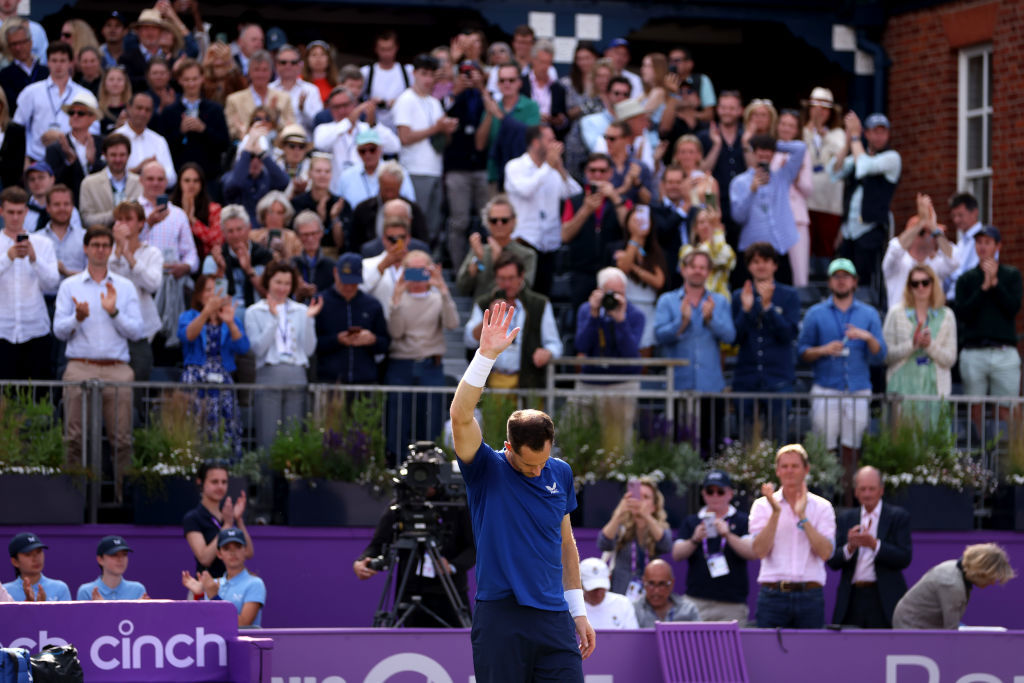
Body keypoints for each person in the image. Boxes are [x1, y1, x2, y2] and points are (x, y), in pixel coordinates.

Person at [449, 301, 595, 680]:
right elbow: (461, 415)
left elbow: (566, 544)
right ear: (509, 447)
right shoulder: (484, 468)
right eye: (530, 464)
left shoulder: (558, 472)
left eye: (543, 461)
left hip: (553, 620)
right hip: (500, 618)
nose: (538, 470)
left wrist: (577, 611)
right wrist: (485, 355)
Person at [54, 226, 143, 501]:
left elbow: (137, 331)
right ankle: (72, 501)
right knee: (74, 437)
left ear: (111, 249)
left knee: (122, 439)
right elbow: (58, 330)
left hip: (117, 367)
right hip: (80, 364)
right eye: (95, 245)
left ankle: (122, 501)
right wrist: (77, 319)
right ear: (86, 248)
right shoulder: (69, 286)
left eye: (106, 245)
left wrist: (113, 311)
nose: (101, 250)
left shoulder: (125, 286)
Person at [353, 455, 476, 627]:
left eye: (429, 473)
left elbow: (473, 548)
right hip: (410, 591)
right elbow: (378, 544)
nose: (423, 481)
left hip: (450, 593)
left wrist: (453, 565)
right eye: (418, 472)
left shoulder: (457, 505)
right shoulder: (399, 507)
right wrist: (362, 561)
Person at [798, 258, 886, 485]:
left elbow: (880, 354)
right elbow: (802, 352)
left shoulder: (869, 314)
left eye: (846, 276)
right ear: (829, 282)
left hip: (858, 388)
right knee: (823, 446)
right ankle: (825, 495)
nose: (841, 281)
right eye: (836, 276)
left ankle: (850, 498)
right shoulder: (815, 313)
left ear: (855, 282)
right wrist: (823, 349)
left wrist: (867, 337)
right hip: (826, 387)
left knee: (852, 447)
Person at [654, 249, 735, 454]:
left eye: (702, 267)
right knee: (678, 448)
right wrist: (681, 323)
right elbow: (659, 336)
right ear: (683, 270)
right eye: (693, 266)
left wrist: (710, 320)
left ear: (708, 272)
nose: (697, 271)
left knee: (711, 447)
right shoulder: (667, 300)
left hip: (710, 387)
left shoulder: (719, 301)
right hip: (679, 386)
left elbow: (730, 337)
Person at [749, 443, 836, 629]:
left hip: (810, 596)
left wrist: (803, 516)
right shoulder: (762, 506)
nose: (789, 471)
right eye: (784, 466)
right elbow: (759, 551)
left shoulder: (823, 507)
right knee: (768, 656)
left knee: (811, 656)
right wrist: (775, 513)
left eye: (795, 466)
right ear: (777, 471)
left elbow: (826, 553)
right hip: (772, 596)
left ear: (806, 470)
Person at [385, 250, 459, 456]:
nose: (417, 277)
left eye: (422, 271)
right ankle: (397, 465)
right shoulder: (398, 298)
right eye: (412, 271)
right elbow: (396, 332)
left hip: (430, 366)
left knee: (430, 421)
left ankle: (430, 467)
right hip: (401, 365)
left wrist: (443, 288)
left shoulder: (437, 298)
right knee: (398, 420)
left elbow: (452, 323)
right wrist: (397, 298)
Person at [245, 261, 319, 450]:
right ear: (268, 282)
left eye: (287, 283)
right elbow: (258, 349)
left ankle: (292, 479)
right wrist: (274, 319)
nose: (282, 288)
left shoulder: (302, 311)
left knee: (293, 437)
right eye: (278, 282)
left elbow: (309, 350)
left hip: (296, 375)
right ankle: (267, 479)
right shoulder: (254, 311)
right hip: (269, 375)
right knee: (268, 438)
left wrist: (310, 320)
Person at [731, 242, 800, 443]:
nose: (761, 266)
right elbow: (735, 339)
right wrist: (745, 311)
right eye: (755, 262)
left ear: (775, 265)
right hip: (746, 378)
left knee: (779, 439)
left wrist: (768, 307)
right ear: (749, 266)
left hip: (778, 378)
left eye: (766, 261)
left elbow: (788, 335)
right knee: (746, 439)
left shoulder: (789, 295)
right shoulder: (739, 296)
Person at [827, 466, 912, 629]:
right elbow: (832, 561)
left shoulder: (897, 517)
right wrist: (850, 547)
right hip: (852, 598)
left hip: (884, 599)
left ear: (881, 490)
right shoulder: (846, 518)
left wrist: (874, 544)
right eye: (862, 489)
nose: (867, 494)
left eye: (871, 489)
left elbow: (904, 557)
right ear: (855, 492)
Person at [464, 252, 562, 390]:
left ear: (521, 277)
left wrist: (547, 352)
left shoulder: (539, 303)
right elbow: (470, 340)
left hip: (528, 382)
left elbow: (554, 344)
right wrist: (490, 317)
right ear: (495, 278)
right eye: (502, 279)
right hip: (491, 382)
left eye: (511, 278)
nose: (507, 284)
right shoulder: (484, 303)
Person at [504, 123, 582, 296]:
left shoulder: (553, 170)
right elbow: (526, 190)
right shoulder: (515, 166)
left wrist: (560, 168)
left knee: (542, 297)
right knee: (521, 295)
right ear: (535, 142)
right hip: (524, 241)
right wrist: (547, 166)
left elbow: (575, 194)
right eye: (550, 140)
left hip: (548, 243)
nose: (555, 144)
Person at [574, 267, 645, 454]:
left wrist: (621, 321)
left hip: (621, 383)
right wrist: (594, 315)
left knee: (618, 444)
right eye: (609, 292)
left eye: (619, 293)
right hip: (590, 382)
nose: (613, 298)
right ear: (599, 291)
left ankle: (617, 479)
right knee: (581, 437)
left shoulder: (636, 315)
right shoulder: (586, 310)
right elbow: (581, 345)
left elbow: (631, 356)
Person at [179, 275, 250, 457]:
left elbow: (243, 348)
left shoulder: (231, 319)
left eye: (216, 289)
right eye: (208, 290)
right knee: (194, 426)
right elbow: (187, 336)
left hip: (222, 381)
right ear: (199, 294)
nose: (213, 294)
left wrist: (231, 323)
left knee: (224, 427)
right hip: (195, 379)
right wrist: (205, 313)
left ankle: (225, 466)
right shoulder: (189, 316)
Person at [672, 470, 755, 623]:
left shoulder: (742, 520)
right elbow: (676, 554)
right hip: (696, 600)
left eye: (720, 491)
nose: (715, 496)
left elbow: (751, 552)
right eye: (710, 491)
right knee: (691, 646)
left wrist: (728, 535)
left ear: (730, 494)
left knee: (729, 647)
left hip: (731, 604)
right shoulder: (692, 521)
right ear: (704, 494)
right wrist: (694, 540)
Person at [832, 112, 901, 292]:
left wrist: (855, 138)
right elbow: (833, 171)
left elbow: (864, 167)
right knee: (843, 276)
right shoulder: (857, 155)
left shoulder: (892, 157)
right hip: (849, 231)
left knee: (865, 281)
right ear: (867, 134)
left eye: (883, 132)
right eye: (874, 132)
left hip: (870, 229)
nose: (879, 136)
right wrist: (848, 141)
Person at [954, 225, 1022, 402]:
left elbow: (1013, 308)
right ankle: (979, 432)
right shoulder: (966, 279)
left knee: (1008, 407)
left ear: (997, 246)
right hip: (973, 351)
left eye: (987, 242)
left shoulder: (1011, 275)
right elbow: (963, 313)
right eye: (979, 242)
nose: (982, 247)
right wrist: (984, 288)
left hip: (1004, 352)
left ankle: (1010, 432)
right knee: (974, 406)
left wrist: (996, 285)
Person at [883, 265, 957, 425]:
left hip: (936, 389)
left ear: (933, 284)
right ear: (909, 286)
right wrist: (913, 344)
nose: (920, 287)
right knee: (901, 445)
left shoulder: (947, 315)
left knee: (934, 445)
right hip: (901, 388)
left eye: (925, 282)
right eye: (915, 283)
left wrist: (929, 345)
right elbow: (886, 355)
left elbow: (950, 358)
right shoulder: (895, 313)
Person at [393, 53, 455, 247]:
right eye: (424, 74)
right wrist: (437, 128)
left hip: (435, 169)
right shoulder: (405, 100)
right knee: (418, 224)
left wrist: (447, 130)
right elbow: (405, 137)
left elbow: (441, 139)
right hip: (415, 170)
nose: (428, 79)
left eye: (431, 75)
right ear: (414, 74)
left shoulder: (434, 102)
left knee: (433, 224)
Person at [729, 134, 806, 285]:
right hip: (751, 252)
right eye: (759, 150)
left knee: (784, 295)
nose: (764, 154)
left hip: (779, 250)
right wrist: (751, 191)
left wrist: (771, 143)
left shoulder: (783, 176)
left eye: (768, 151)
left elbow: (800, 148)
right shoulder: (739, 182)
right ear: (752, 152)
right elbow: (738, 217)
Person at [0, 186, 59, 380]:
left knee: (37, 399)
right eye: (11, 212)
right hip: (3, 330)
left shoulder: (43, 243)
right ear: (2, 212)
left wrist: (35, 259)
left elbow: (52, 284)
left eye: (19, 212)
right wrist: (8, 258)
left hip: (35, 329)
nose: (15, 218)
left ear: (26, 212)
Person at [108, 200, 164, 391]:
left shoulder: (152, 253)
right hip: (110, 329)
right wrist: (117, 253)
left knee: (137, 387)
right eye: (119, 220)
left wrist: (129, 257)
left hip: (142, 329)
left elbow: (153, 285)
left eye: (128, 219)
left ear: (141, 223)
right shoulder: (104, 251)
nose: (123, 224)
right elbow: (103, 281)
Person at [893, 543, 1015, 630]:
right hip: (912, 631)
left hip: (920, 625)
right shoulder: (951, 585)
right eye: (992, 577)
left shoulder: (953, 567)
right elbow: (951, 633)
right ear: (981, 571)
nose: (993, 583)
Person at [559, 153, 627, 308]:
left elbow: (629, 229)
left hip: (612, 272)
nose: (598, 175)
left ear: (610, 173)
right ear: (586, 173)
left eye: (602, 171)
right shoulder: (574, 201)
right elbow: (565, 235)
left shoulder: (621, 200)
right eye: (593, 170)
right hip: (582, 272)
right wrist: (585, 210)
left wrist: (615, 198)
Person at [315, 252, 389, 384]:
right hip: (330, 380)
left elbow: (385, 343)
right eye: (345, 281)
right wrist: (337, 340)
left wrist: (372, 340)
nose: (349, 287)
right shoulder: (320, 302)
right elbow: (312, 344)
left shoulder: (372, 304)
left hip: (365, 380)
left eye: (353, 282)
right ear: (335, 272)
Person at [14, 43, 95, 163]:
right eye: (54, 60)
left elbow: (94, 129)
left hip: (73, 159)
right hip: (37, 158)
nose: (58, 65)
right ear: (47, 62)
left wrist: (63, 137)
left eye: (63, 60)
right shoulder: (31, 92)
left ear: (71, 63)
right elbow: (17, 126)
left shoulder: (84, 94)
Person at [444, 58, 489, 269]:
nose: (469, 77)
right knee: (459, 222)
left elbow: (494, 112)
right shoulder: (449, 97)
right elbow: (442, 117)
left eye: (473, 72)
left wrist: (482, 88)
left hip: (483, 167)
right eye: (464, 73)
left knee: (488, 222)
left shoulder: (488, 96)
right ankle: (459, 269)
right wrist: (455, 90)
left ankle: (485, 267)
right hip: (457, 167)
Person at [159, 58, 231, 185]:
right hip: (180, 179)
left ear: (202, 78)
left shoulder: (215, 109)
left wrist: (203, 129)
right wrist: (181, 132)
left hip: (209, 178)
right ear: (180, 80)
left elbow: (224, 144)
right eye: (187, 79)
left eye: (194, 79)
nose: (191, 84)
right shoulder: (169, 112)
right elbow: (163, 147)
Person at [598, 476, 671, 598]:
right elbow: (603, 543)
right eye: (637, 496)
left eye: (646, 497)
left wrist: (647, 517)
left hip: (649, 598)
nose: (640, 501)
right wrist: (619, 513)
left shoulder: (659, 527)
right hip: (620, 596)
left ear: (654, 506)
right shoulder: (621, 527)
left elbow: (666, 545)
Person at [882, 193, 957, 309]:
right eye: (933, 233)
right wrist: (920, 223)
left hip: (931, 325)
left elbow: (954, 260)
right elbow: (895, 249)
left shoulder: (937, 263)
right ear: (918, 235)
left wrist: (934, 229)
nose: (937, 237)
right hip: (901, 325)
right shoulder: (899, 263)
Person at [456, 194, 537, 300]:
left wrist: (499, 260)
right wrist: (476, 262)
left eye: (504, 220)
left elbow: (525, 289)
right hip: (483, 313)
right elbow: (462, 288)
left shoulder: (526, 255)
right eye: (494, 220)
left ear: (513, 221)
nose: (499, 224)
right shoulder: (479, 251)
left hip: (514, 312)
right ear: (487, 222)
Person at [611, 205, 668, 353]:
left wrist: (636, 269)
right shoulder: (619, 247)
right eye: (635, 220)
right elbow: (623, 268)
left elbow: (658, 281)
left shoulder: (655, 252)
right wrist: (635, 239)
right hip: (626, 305)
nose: (639, 223)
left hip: (648, 307)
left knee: (645, 349)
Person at [183, 460, 253, 579]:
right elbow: (205, 558)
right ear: (201, 482)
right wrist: (227, 525)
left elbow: (248, 553)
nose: (220, 486)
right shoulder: (193, 518)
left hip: (232, 587)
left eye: (224, 482)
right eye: (214, 482)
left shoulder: (227, 514)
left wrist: (238, 519)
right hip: (205, 589)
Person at [182, 528, 266, 627]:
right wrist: (199, 595)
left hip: (242, 642)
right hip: (213, 641)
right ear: (219, 554)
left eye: (238, 547)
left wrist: (214, 597)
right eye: (226, 548)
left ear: (245, 550)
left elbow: (243, 624)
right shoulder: (212, 584)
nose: (232, 553)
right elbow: (201, 622)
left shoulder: (255, 583)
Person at [475, 63, 540, 187]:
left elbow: (531, 138)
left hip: (525, 175)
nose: (507, 84)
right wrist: (489, 114)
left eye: (511, 80)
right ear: (497, 84)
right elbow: (479, 145)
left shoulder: (531, 106)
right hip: (496, 174)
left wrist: (499, 115)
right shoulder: (492, 107)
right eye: (502, 80)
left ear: (519, 83)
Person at [802, 87, 846, 260]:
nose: (819, 113)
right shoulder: (801, 131)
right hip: (805, 202)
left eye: (824, 109)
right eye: (815, 108)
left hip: (829, 202)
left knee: (826, 252)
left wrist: (823, 134)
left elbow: (838, 159)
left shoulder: (838, 134)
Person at [201, 204, 272, 309]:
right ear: (223, 233)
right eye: (230, 231)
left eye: (239, 229)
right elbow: (210, 300)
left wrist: (249, 270)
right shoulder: (214, 258)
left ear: (249, 228)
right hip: (226, 313)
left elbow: (272, 295)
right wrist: (221, 271)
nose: (236, 235)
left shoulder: (264, 256)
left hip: (260, 313)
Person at [775, 109, 813, 286]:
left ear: (797, 130)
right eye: (783, 124)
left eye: (791, 125)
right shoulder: (770, 151)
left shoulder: (803, 152)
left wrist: (794, 174)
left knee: (799, 271)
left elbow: (808, 189)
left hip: (796, 217)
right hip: (774, 218)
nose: (786, 128)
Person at [43, 90, 104, 202]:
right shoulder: (56, 148)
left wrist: (92, 162)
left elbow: (107, 176)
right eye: (71, 112)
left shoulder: (102, 143)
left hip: (97, 202)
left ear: (92, 118)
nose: (75, 116)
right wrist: (70, 162)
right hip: (68, 205)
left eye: (81, 113)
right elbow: (53, 181)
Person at [224, 49, 295, 141]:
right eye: (256, 70)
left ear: (271, 72)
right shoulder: (234, 100)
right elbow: (232, 131)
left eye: (265, 70)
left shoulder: (284, 98)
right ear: (249, 72)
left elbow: (290, 127)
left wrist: (273, 116)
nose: (260, 74)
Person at [113, 92, 177, 187]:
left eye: (147, 110)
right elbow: (110, 175)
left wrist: (154, 172)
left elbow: (172, 178)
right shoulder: (115, 137)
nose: (143, 113)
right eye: (139, 108)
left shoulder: (159, 140)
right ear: (128, 108)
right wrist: (138, 170)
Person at [79, 133, 142, 227]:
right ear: (104, 155)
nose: (118, 159)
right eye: (113, 155)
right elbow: (86, 220)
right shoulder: (89, 183)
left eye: (122, 155)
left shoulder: (140, 182)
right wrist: (114, 215)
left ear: (128, 155)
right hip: (102, 238)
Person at [359, 31, 414, 133]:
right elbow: (355, 99)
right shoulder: (366, 72)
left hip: (402, 128)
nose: (386, 54)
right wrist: (370, 103)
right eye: (382, 49)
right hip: (374, 128)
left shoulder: (408, 71)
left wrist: (399, 102)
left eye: (390, 49)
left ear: (396, 48)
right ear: (376, 49)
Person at [679, 208, 735, 300]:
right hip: (694, 301)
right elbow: (703, 259)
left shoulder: (726, 249)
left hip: (721, 302)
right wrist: (715, 234)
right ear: (695, 228)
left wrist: (716, 234)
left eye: (711, 222)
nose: (707, 226)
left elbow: (724, 260)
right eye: (702, 222)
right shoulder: (686, 250)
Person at [172, 163, 223, 259]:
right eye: (187, 180)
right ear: (179, 183)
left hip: (205, 259)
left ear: (202, 184)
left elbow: (217, 240)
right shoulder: (170, 208)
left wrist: (192, 220)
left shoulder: (213, 209)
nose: (191, 185)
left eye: (196, 181)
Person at [270, 44, 322, 134]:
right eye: (283, 62)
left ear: (300, 65)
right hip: (275, 142)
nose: (288, 66)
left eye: (293, 62)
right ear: (276, 65)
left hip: (304, 142)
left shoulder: (311, 90)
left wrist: (303, 110)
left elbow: (318, 124)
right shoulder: (269, 89)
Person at [75, 535, 147, 601]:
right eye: (114, 554)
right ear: (100, 559)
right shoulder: (86, 591)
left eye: (124, 554)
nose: (120, 559)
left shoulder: (138, 589)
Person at [3, 532, 71, 602]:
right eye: (28, 554)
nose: (35, 558)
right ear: (15, 561)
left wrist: (43, 607)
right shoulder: (4, 592)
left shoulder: (60, 588)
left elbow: (66, 613)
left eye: (39, 552)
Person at [632, 559, 699, 627]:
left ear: (672, 583)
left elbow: (700, 636)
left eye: (662, 584)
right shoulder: (634, 610)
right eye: (651, 584)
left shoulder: (688, 610)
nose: (656, 590)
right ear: (644, 582)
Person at [579, 557, 639, 629]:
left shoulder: (623, 603)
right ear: (581, 583)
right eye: (593, 589)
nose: (598, 592)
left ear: (609, 578)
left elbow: (632, 637)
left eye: (601, 587)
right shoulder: (570, 606)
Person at [0, 19, 47, 108]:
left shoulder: (46, 72)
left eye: (22, 42)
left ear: (30, 42)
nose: (18, 48)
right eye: (14, 44)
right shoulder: (4, 75)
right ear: (9, 47)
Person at [945, 192, 982, 300]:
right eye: (953, 216)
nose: (956, 220)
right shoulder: (962, 243)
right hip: (957, 302)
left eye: (960, 215)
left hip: (970, 302)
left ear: (974, 213)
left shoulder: (982, 240)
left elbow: (969, 273)